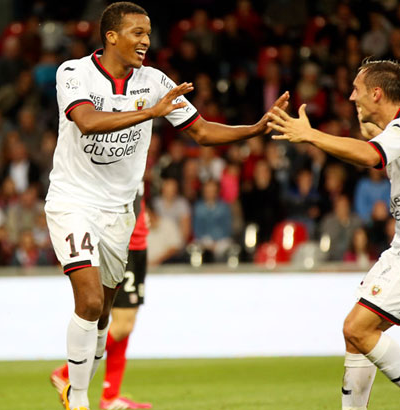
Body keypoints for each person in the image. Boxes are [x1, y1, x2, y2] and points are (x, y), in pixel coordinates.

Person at [45, 3, 288, 410]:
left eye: (148, 33)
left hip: (120, 211)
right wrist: (151, 112)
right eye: (137, 33)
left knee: (103, 315)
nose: (146, 41)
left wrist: (254, 129)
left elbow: (202, 132)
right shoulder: (73, 72)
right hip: (74, 200)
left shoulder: (155, 81)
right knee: (88, 301)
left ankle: (80, 383)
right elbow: (85, 121)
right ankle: (80, 399)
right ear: (111, 36)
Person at [269, 58, 400, 410]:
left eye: (357, 90)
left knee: (357, 328)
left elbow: (370, 155)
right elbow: (370, 135)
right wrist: (363, 119)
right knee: (355, 336)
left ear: (377, 93)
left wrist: (310, 135)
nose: (352, 97)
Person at [52, 191, 153, 410]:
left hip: (135, 238)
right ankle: (67, 373)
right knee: (123, 324)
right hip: (124, 238)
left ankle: (110, 394)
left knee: (124, 319)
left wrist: (142, 211)